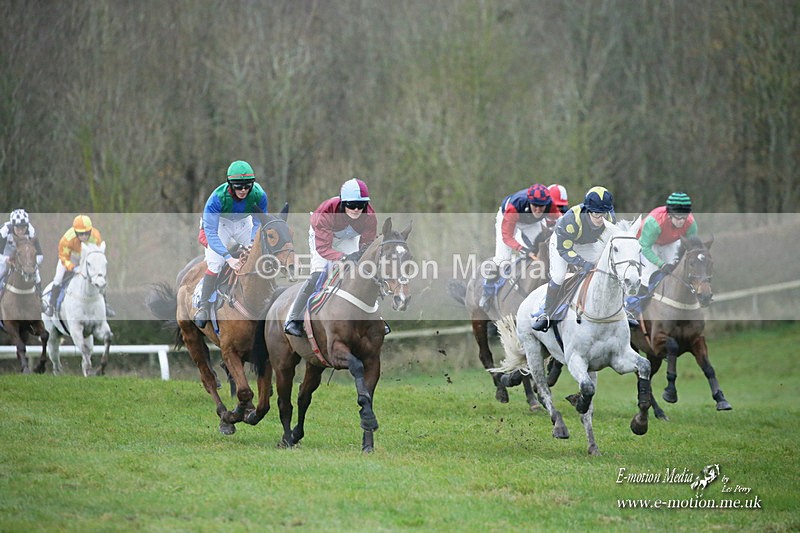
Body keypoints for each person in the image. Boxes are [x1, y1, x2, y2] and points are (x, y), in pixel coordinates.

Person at [283, 178, 378, 337]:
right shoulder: (326, 212)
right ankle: (292, 319)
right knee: (318, 275)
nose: (356, 209)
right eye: (351, 205)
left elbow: (367, 244)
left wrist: (359, 257)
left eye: (361, 205)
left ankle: (376, 318)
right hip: (323, 237)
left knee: (363, 273)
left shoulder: (369, 215)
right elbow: (323, 249)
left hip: (349, 237)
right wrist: (343, 258)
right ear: (343, 203)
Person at [193, 160, 268, 328]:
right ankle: (203, 306)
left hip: (243, 222)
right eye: (238, 187)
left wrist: (252, 243)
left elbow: (259, 222)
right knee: (216, 263)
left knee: (261, 252)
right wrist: (228, 258)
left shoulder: (259, 195)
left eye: (247, 186)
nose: (243, 190)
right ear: (230, 185)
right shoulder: (216, 199)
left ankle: (267, 294)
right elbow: (211, 233)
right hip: (220, 224)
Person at [531, 186, 616, 332]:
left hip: (588, 243)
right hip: (563, 243)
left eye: (603, 213)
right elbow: (564, 249)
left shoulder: (610, 218)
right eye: (596, 214)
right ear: (588, 210)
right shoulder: (570, 220)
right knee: (559, 276)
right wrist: (582, 263)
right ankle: (547, 313)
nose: (600, 219)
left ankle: (622, 309)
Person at [479, 184, 558, 312]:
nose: (538, 210)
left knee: (541, 246)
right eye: (535, 205)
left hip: (530, 223)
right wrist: (523, 249)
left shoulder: (550, 205)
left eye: (541, 206)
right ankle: (487, 292)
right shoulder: (514, 207)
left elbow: (560, 221)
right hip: (507, 219)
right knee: (503, 259)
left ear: (547, 203)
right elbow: (507, 237)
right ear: (529, 202)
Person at [625, 192, 698, 315]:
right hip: (648, 244)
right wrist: (661, 264)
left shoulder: (690, 223)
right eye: (678, 217)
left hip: (670, 242)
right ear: (669, 214)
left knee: (675, 273)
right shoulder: (654, 222)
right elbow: (645, 247)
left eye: (684, 217)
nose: (681, 221)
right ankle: (632, 309)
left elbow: (692, 248)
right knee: (648, 276)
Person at [47, 214, 115, 317]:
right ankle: (51, 305)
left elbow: (97, 255)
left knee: (99, 279)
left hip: (87, 259)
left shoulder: (96, 236)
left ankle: (105, 304)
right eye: (81, 234)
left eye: (86, 233)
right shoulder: (67, 239)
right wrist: (73, 268)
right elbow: (63, 257)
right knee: (58, 278)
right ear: (75, 232)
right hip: (70, 259)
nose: (84, 236)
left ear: (90, 231)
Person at [0, 209, 45, 304]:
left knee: (36, 274)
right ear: (12, 226)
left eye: (23, 228)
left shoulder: (31, 232)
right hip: (5, 254)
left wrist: (32, 264)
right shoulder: (4, 231)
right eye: (18, 228)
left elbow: (40, 255)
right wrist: (6, 259)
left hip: (24, 255)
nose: (21, 231)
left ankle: (41, 300)